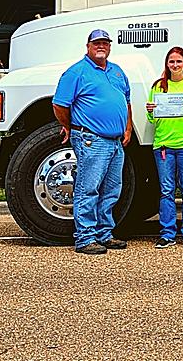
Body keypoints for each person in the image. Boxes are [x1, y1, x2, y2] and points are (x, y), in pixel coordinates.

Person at [51, 29, 132, 255]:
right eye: (97, 43)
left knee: (111, 190)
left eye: (105, 43)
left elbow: (126, 101)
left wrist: (127, 127)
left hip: (115, 142)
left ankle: (104, 234)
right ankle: (85, 238)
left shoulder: (117, 72)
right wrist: (69, 126)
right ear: (88, 46)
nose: (101, 46)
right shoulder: (76, 72)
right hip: (91, 139)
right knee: (88, 188)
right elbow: (60, 104)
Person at [146, 46, 183, 249]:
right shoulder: (158, 86)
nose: (175, 65)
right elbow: (151, 117)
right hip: (163, 144)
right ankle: (167, 234)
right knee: (166, 191)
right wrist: (150, 110)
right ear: (167, 64)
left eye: (178, 61)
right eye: (171, 61)